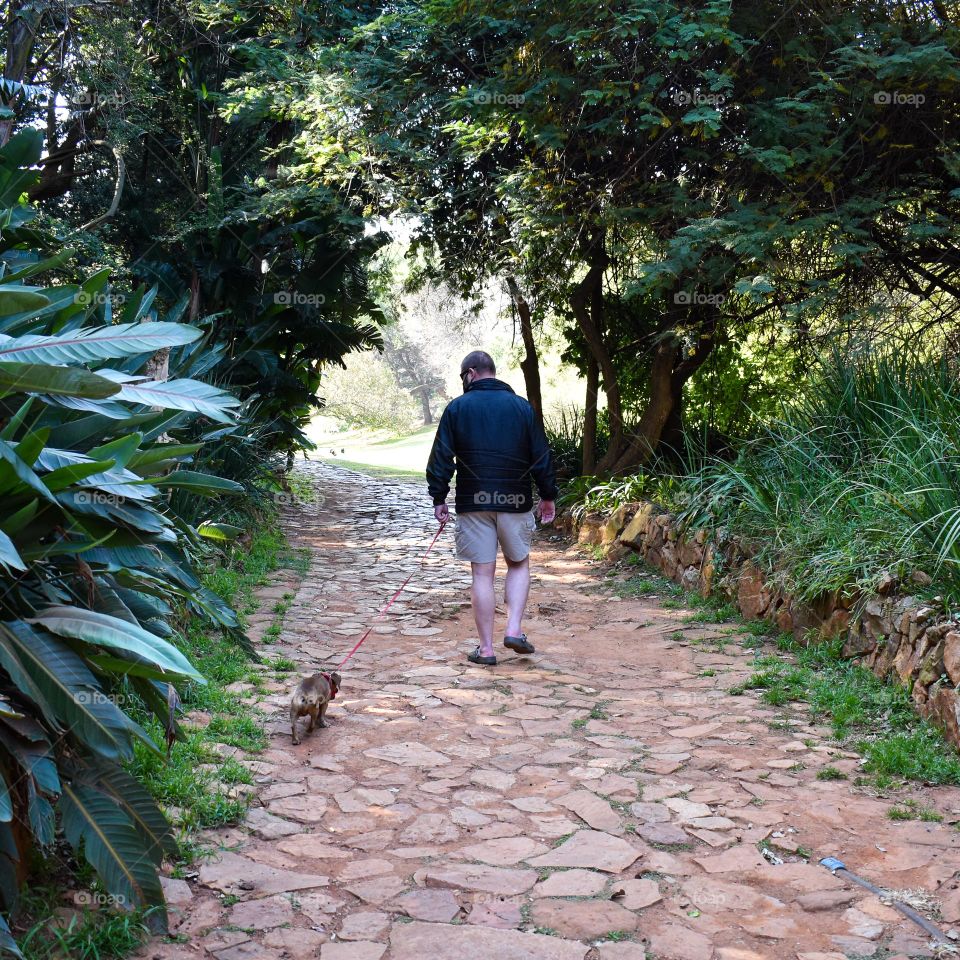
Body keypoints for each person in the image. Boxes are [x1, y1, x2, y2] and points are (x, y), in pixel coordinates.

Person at [426, 350, 557, 665]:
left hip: (473, 501)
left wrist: (439, 497)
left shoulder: (457, 408)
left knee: (482, 574)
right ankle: (513, 629)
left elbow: (442, 456)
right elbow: (541, 455)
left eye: (463, 377)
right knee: (518, 564)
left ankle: (485, 650)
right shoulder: (521, 407)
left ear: (471, 373)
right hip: (515, 499)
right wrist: (547, 494)